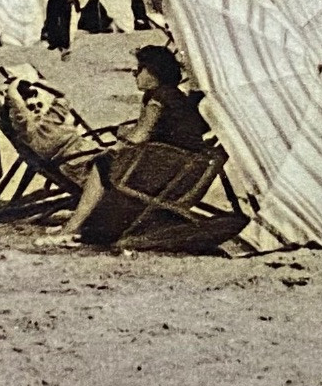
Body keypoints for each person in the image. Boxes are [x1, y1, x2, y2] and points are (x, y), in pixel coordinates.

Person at [39, 45, 213, 247]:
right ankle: (81, 222)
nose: (134, 74)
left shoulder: (157, 97)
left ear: (154, 72)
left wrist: (122, 135)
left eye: (139, 69)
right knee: (109, 161)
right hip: (180, 168)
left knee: (103, 164)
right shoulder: (175, 95)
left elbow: (139, 136)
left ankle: (72, 228)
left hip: (166, 168)